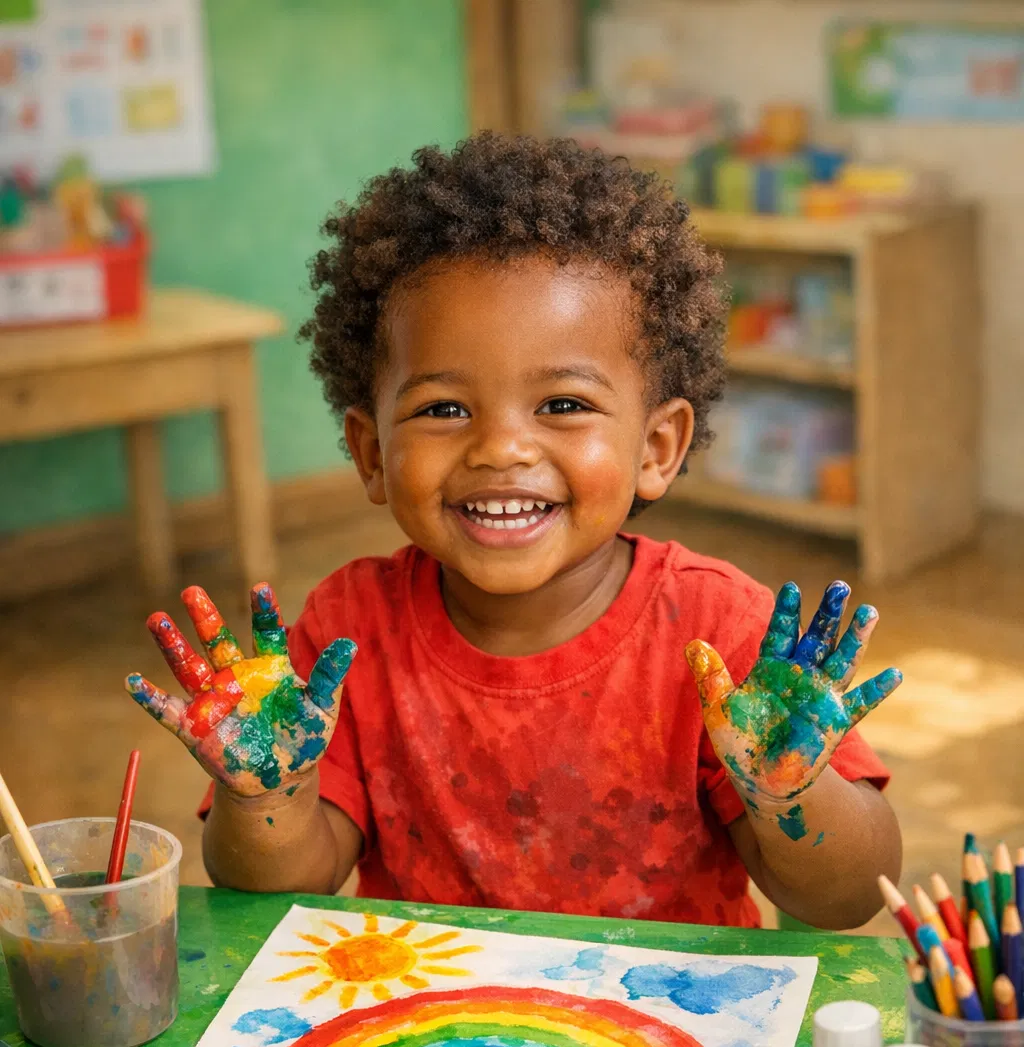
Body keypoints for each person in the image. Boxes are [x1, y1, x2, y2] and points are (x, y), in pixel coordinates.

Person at [126, 133, 901, 931]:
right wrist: (269, 796)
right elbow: (282, 889)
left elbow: (845, 897)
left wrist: (792, 793)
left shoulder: (718, 640)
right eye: (443, 409)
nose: (500, 448)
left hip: (671, 1029)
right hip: (425, 1028)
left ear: (657, 448)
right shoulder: (349, 633)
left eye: (563, 404)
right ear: (371, 454)